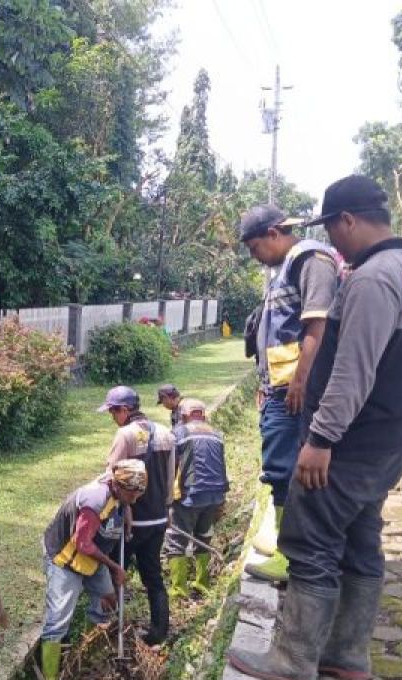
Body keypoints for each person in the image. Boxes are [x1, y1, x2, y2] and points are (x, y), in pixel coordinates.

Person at [228, 175, 402, 680]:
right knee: (362, 540)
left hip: (353, 440)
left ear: (347, 220)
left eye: (332, 229)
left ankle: (294, 660)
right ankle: (347, 655)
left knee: (311, 537)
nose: (331, 243)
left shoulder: (369, 279)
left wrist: (319, 440)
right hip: (393, 435)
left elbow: (352, 370)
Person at [238, 204, 340, 586]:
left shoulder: (310, 260)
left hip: (295, 391)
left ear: (274, 234)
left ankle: (290, 554)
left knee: (284, 469)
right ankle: (284, 537)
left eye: (254, 247)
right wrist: (266, 386)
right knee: (278, 465)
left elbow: (317, 326)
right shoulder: (284, 268)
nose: (254, 256)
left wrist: (300, 381)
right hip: (278, 387)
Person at [38, 459, 147, 680]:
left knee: (108, 603)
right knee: (58, 620)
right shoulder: (94, 500)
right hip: (65, 559)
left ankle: (84, 657)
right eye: (133, 494)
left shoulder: (118, 493)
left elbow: (119, 505)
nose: (137, 498)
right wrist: (114, 567)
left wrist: (126, 510)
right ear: (119, 487)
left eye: (139, 493)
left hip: (92, 561)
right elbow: (82, 543)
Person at [101, 386, 176, 646]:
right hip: (157, 520)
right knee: (153, 575)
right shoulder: (166, 433)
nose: (113, 417)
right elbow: (170, 478)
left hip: (132, 520)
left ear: (124, 410)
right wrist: (167, 510)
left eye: (113, 412)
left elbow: (112, 476)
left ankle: (113, 628)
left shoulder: (126, 434)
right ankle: (159, 632)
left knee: (115, 569)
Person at [164, 398, 229, 598]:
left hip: (189, 495)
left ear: (183, 416)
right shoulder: (217, 435)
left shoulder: (178, 434)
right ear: (203, 414)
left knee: (176, 540)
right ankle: (202, 583)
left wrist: (166, 500)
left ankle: (178, 589)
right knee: (204, 535)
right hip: (215, 494)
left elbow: (170, 468)